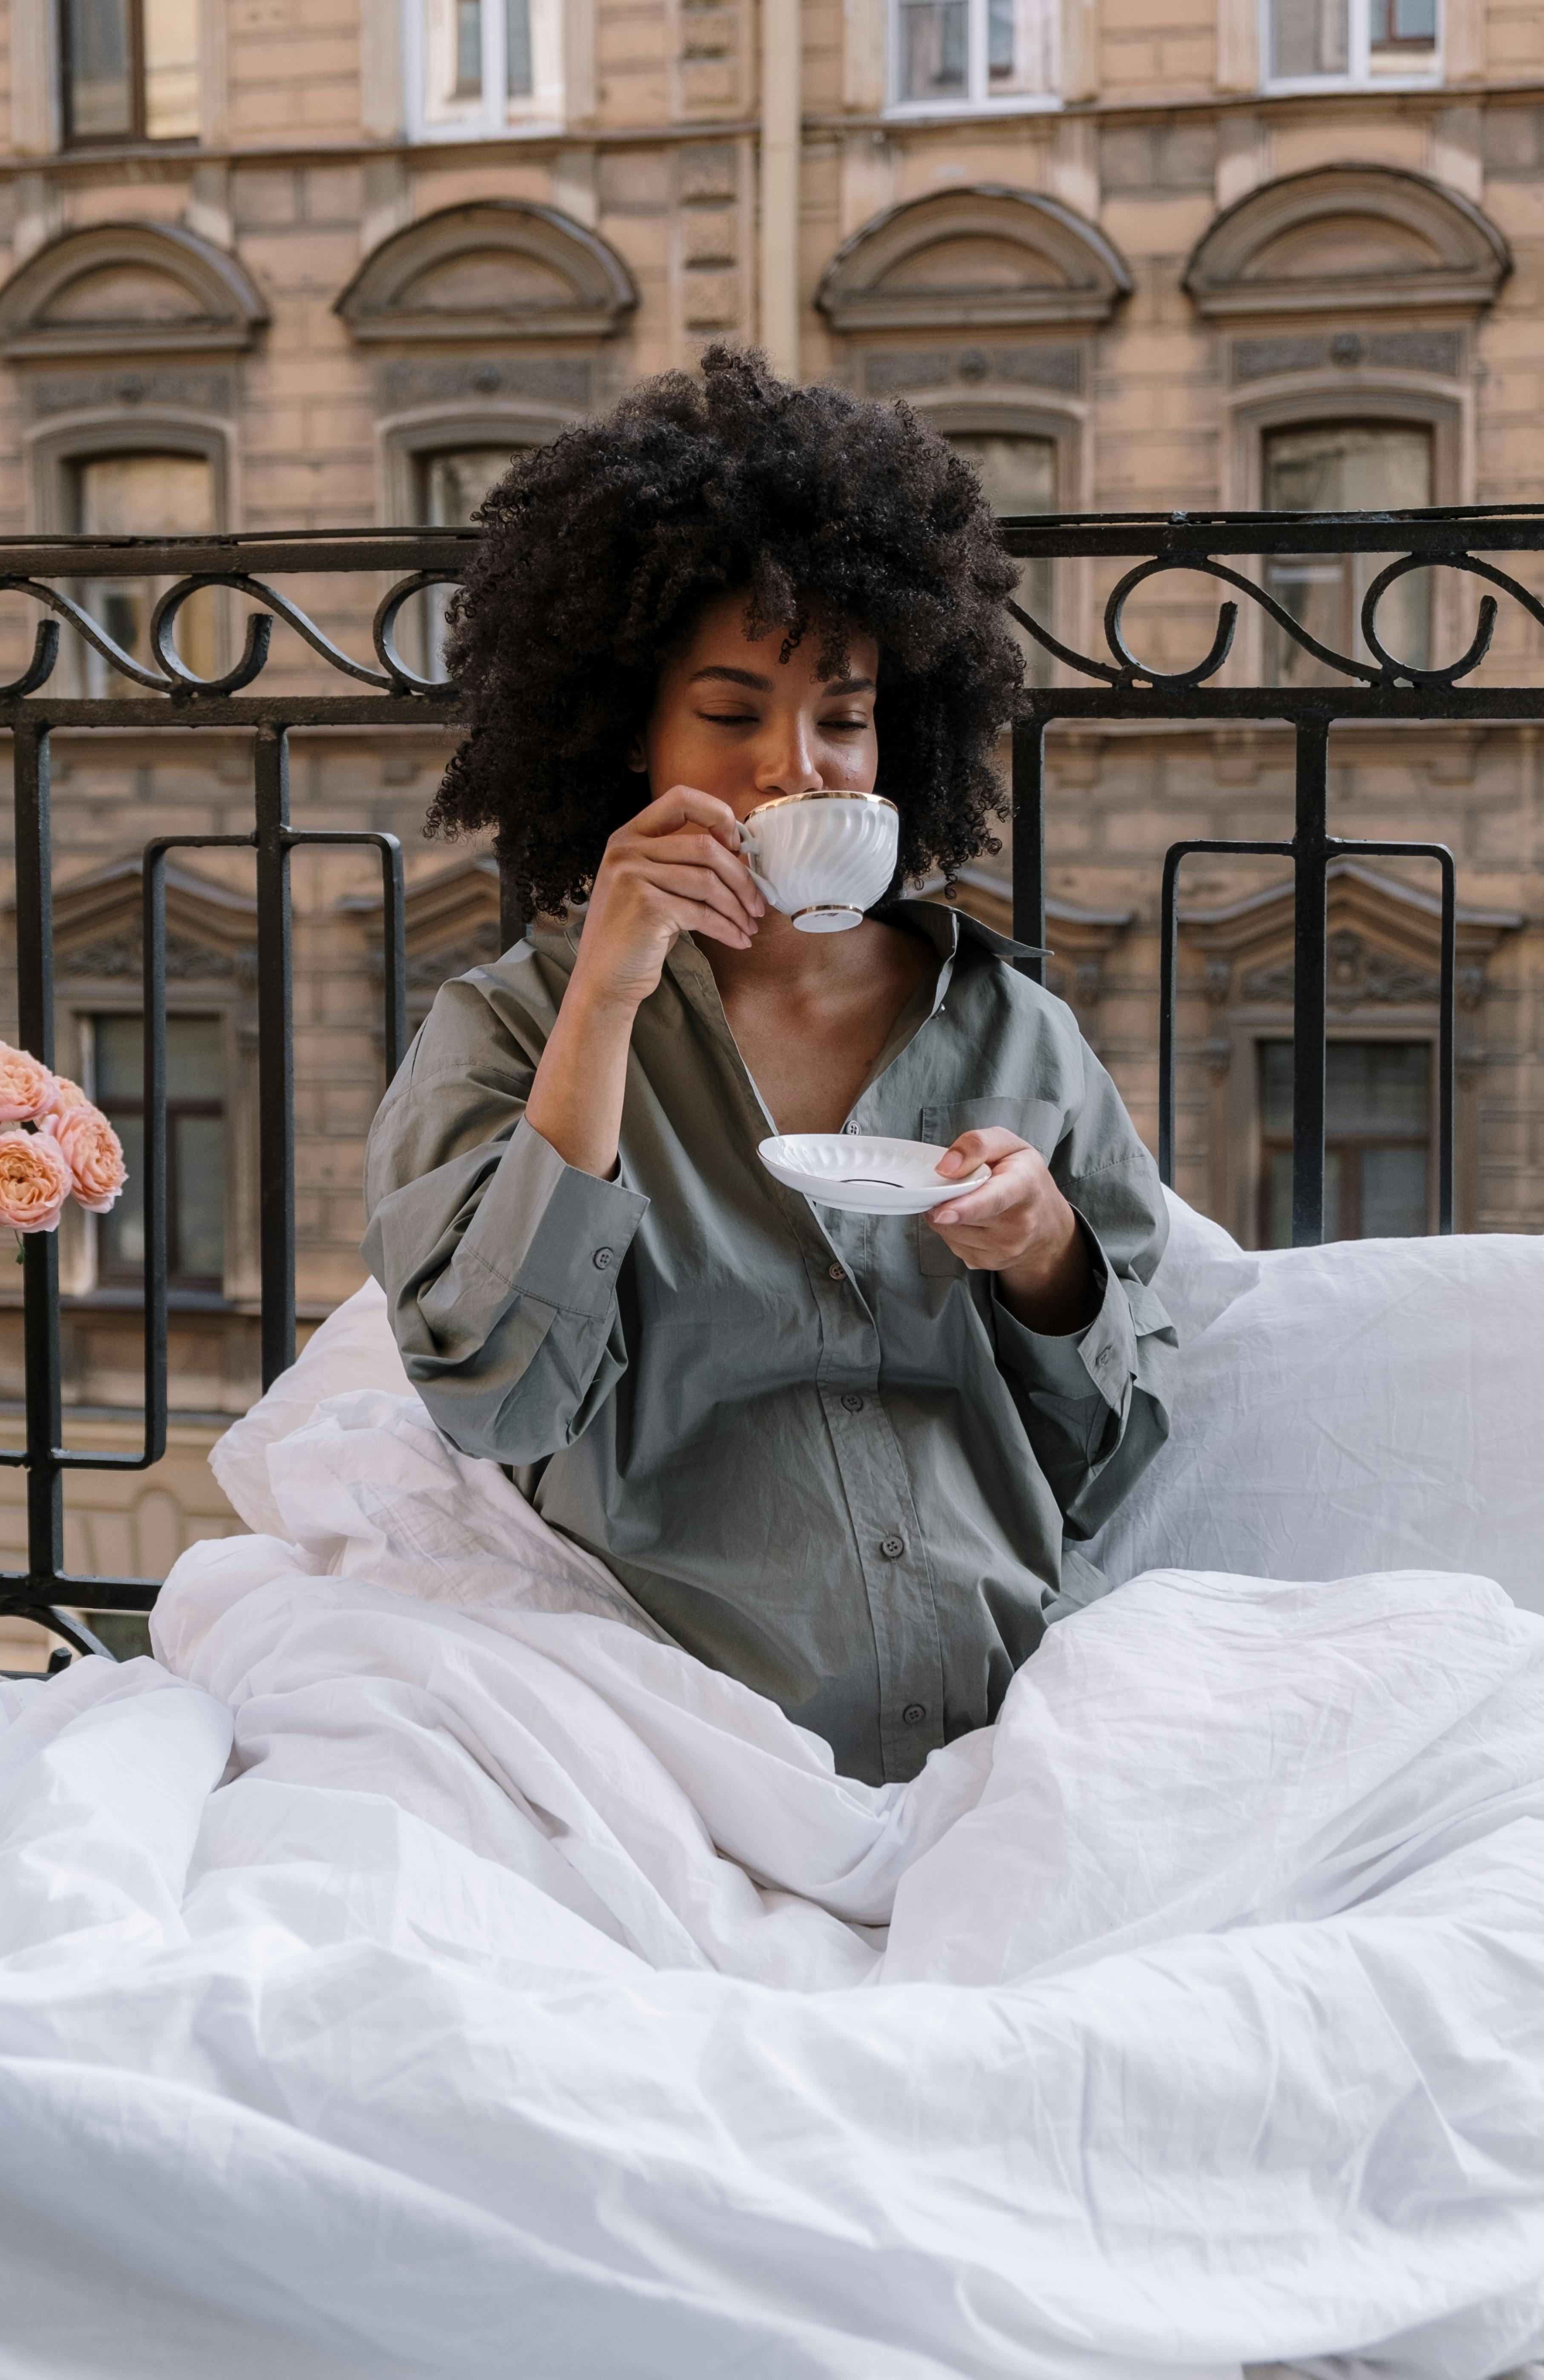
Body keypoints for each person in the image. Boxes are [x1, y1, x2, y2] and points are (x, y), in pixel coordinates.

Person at [361, 348, 1175, 1788]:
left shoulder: (1010, 1034)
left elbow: (1115, 1436)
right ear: (630, 732)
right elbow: (496, 1399)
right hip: (665, 1751)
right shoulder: (504, 1035)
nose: (796, 768)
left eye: (843, 718)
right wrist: (606, 998)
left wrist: (1049, 1256)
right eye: (731, 714)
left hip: (1022, 1738)